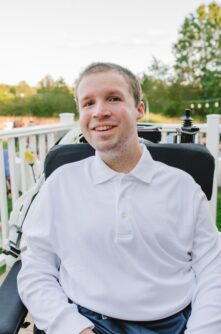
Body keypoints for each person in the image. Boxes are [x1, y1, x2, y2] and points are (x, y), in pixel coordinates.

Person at [17, 62, 221, 334]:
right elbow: (36, 270)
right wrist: (72, 328)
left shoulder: (182, 188)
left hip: (174, 325)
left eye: (113, 98)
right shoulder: (61, 185)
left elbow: (212, 269)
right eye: (88, 103)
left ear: (139, 109)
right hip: (87, 322)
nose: (99, 111)